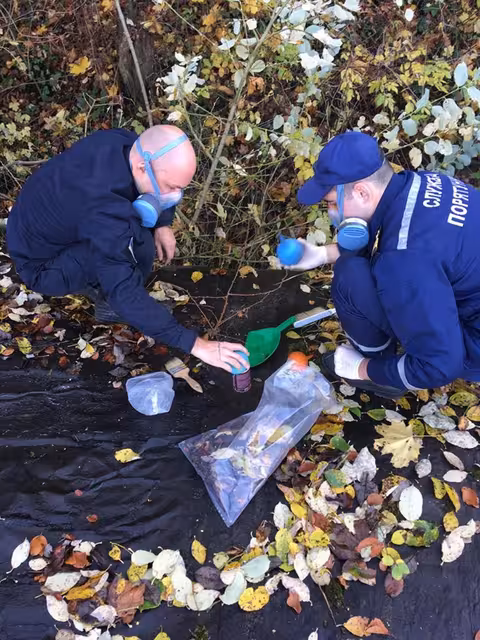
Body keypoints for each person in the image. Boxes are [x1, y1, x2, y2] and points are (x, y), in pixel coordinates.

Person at [7, 125, 247, 373]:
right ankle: (107, 304)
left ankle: (100, 277)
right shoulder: (106, 212)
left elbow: (154, 185)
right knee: (136, 244)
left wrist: (163, 223)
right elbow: (124, 289)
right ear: (142, 167)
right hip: (42, 265)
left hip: (38, 229)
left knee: (137, 229)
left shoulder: (125, 143)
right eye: (171, 187)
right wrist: (196, 345)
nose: (175, 196)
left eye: (180, 188)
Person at [285, 131, 480, 397]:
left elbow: (440, 366)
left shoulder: (403, 262)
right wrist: (324, 254)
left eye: (331, 203)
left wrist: (362, 368)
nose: (331, 213)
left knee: (350, 277)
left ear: (362, 192)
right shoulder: (423, 183)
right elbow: (389, 228)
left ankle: (385, 377)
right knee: (360, 266)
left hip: (471, 344)